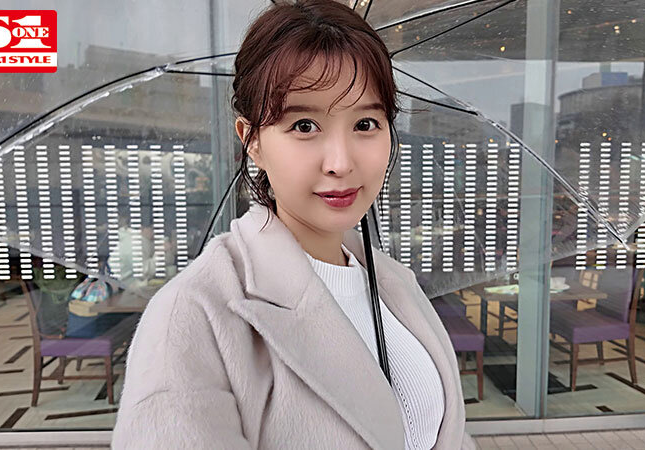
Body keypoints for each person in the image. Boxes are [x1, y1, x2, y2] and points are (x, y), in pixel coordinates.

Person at [112, 1, 477, 449]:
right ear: (252, 141)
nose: (341, 163)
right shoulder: (194, 316)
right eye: (305, 125)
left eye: (366, 123)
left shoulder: (394, 285)